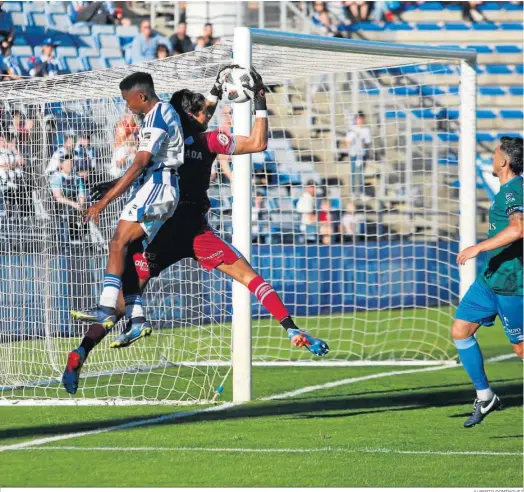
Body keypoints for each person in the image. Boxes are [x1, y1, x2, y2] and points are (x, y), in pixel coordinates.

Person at [63, 67, 328, 394]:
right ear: (196, 114)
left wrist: (216, 89)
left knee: (122, 301)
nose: (209, 111)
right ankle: (290, 329)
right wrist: (260, 99)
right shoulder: (210, 140)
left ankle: (81, 352)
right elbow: (258, 142)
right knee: (251, 278)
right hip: (196, 230)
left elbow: (188, 124)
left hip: (161, 232)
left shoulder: (167, 136)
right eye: (205, 109)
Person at [78, 71, 184, 334]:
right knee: (132, 251)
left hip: (158, 187)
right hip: (156, 186)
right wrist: (112, 186)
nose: (127, 106)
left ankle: (105, 308)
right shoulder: (158, 113)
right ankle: (137, 317)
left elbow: (139, 164)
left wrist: (103, 202)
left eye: (128, 100)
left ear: (142, 96)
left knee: (118, 241)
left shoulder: (157, 117)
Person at [453, 136, 523, 428]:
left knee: (520, 349)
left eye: (495, 153)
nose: (492, 157)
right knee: (460, 330)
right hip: (491, 278)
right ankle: (486, 396)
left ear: (504, 161)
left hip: (512, 282)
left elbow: (519, 228)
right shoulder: (505, 190)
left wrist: (478, 247)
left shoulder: (514, 191)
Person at [50, 154, 86, 243]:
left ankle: (86, 235)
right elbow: (58, 197)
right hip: (61, 206)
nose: (69, 166)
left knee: (88, 209)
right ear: (61, 165)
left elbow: (81, 193)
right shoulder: (56, 177)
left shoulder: (76, 178)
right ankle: (73, 237)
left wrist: (80, 204)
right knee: (69, 210)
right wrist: (74, 204)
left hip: (76, 205)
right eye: (67, 164)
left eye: (70, 164)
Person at [346, 111, 371, 197]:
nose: (360, 121)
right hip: (354, 154)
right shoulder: (352, 129)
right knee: (353, 172)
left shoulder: (366, 130)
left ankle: (361, 192)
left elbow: (368, 142)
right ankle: (353, 192)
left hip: (362, 154)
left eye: (361, 119)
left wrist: (364, 143)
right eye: (358, 119)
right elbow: (347, 141)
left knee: (361, 173)